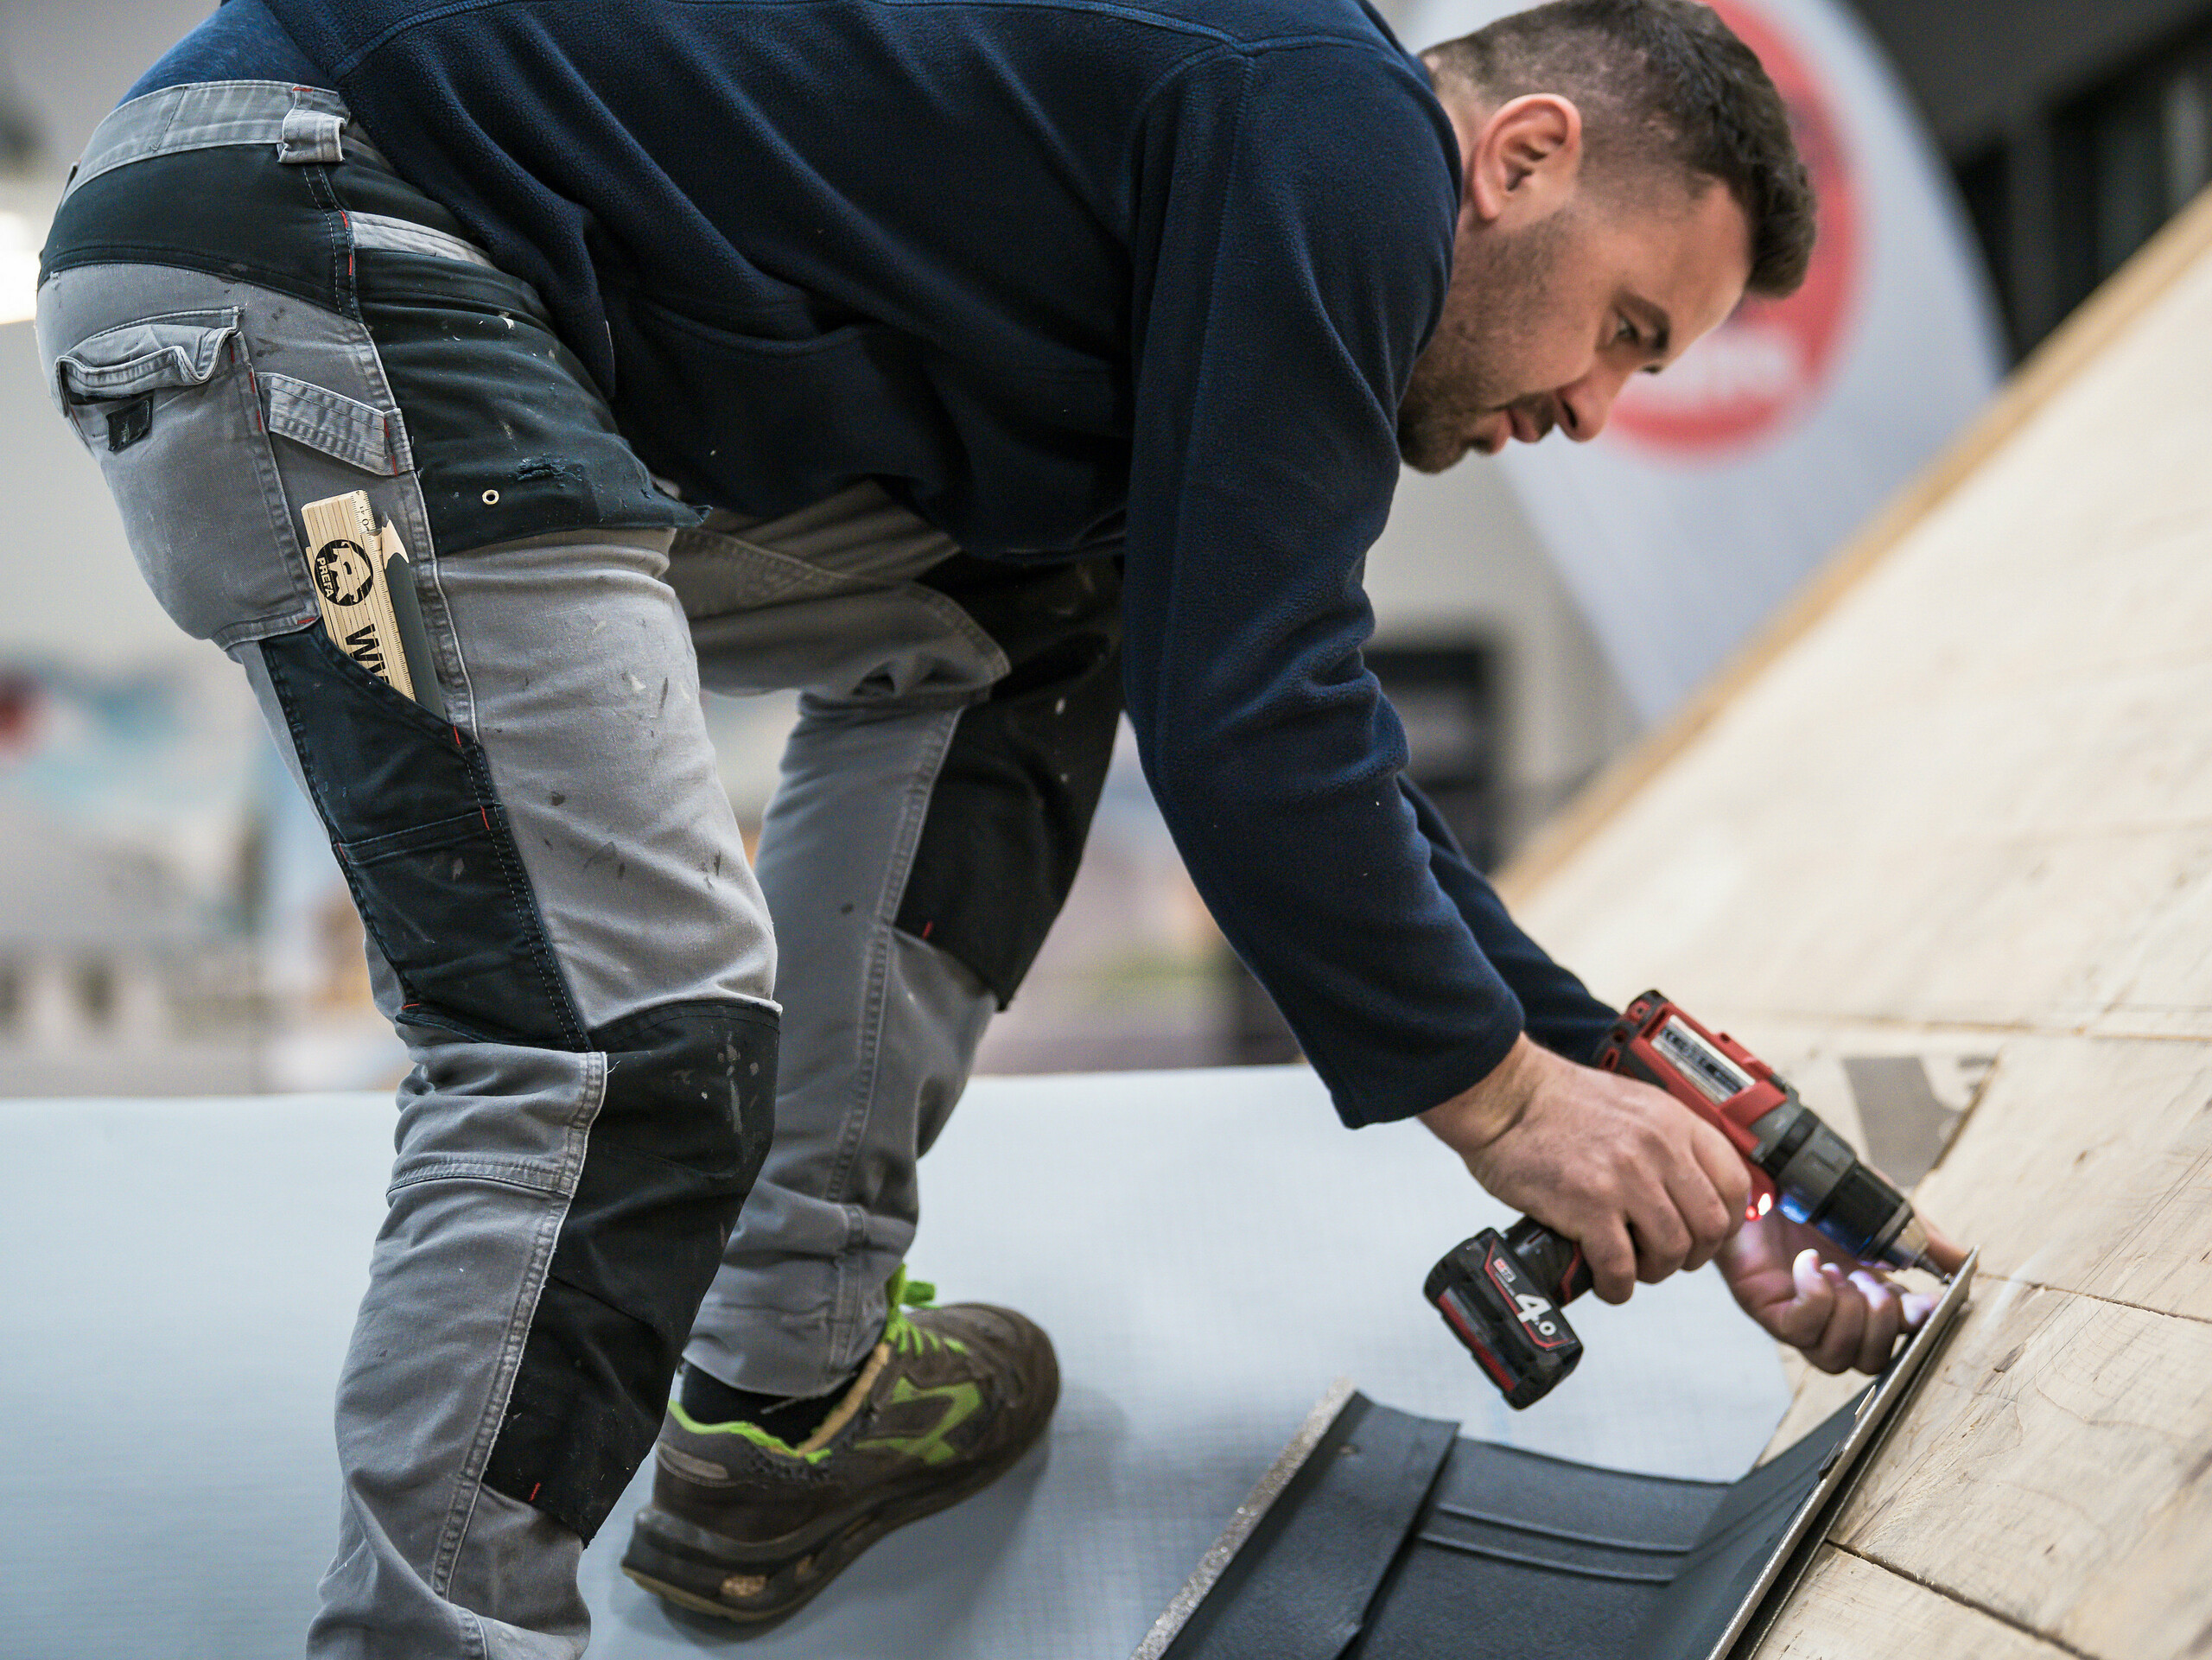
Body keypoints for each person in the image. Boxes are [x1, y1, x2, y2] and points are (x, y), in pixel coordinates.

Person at [35, 0, 1961, 1651]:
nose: (1598, 411)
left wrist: (1612, 1075)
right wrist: (1515, 1109)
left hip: (449, 292)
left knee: (1035, 612)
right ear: (1521, 155)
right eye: (1626, 329)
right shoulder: (1342, 127)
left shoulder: (1216, 182)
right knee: (622, 1044)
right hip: (317, 236)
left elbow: (1277, 705)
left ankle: (774, 1399)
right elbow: (1256, 723)